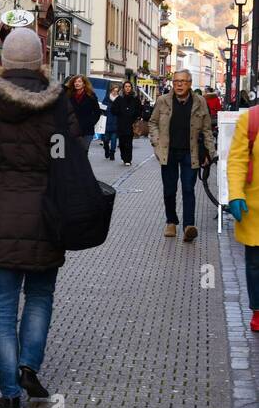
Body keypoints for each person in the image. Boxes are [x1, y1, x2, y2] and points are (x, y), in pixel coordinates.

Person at [0, 29, 78, 408]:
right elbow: (70, 156)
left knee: (2, 308)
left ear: (5, 61)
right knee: (41, 297)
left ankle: (9, 391)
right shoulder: (57, 104)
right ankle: (29, 364)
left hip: (3, 217)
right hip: (47, 218)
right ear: (40, 60)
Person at [148, 70, 216, 243]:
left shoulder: (200, 102)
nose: (179, 84)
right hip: (168, 152)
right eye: (176, 81)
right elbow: (153, 123)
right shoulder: (163, 101)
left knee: (188, 189)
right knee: (170, 190)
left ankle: (188, 226)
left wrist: (210, 153)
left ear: (190, 83)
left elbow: (207, 129)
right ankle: (171, 222)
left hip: (190, 153)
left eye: (183, 82)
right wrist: (156, 143)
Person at [225, 109, 259, 333]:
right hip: (255, 207)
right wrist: (236, 194)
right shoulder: (252, 119)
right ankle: (258, 309)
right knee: (256, 262)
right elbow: (237, 159)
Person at [110, 80, 141, 165]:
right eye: (126, 86)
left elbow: (139, 109)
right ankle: (123, 157)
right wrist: (119, 112)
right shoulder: (119, 99)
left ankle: (128, 159)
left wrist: (136, 116)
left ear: (131, 88)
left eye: (129, 86)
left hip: (131, 124)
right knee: (122, 142)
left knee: (129, 142)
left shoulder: (135, 99)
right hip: (121, 123)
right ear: (123, 88)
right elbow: (113, 109)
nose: (127, 88)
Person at [67, 75, 100, 151]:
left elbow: (97, 112)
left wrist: (91, 122)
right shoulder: (69, 95)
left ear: (84, 84)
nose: (77, 83)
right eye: (75, 82)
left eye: (79, 81)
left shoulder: (91, 96)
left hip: (87, 130)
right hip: (72, 129)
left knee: (84, 151)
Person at [101, 82, 120, 160]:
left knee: (113, 140)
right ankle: (106, 149)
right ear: (111, 91)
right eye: (114, 91)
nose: (115, 92)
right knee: (105, 139)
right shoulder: (106, 98)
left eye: (116, 91)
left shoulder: (119, 100)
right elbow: (102, 108)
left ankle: (112, 153)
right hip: (106, 122)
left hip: (115, 123)